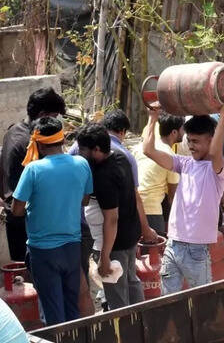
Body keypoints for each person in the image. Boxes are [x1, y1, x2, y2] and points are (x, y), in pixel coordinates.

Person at [142, 102, 224, 294]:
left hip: (197, 250)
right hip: (173, 244)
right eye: (189, 140)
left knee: (203, 303)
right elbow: (148, 150)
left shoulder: (219, 170)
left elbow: (215, 152)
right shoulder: (184, 163)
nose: (191, 146)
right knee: (167, 303)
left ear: (211, 140)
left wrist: (223, 115)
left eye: (196, 141)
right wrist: (153, 119)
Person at [11, 116, 94, 325]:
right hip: (72, 247)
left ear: (38, 143)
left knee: (52, 312)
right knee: (71, 308)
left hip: (43, 251)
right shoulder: (82, 164)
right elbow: (84, 200)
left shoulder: (33, 169)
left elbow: (17, 210)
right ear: (63, 138)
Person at [76, 123, 156, 310]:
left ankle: (127, 334)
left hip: (114, 244)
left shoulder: (104, 176)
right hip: (130, 235)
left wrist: (105, 257)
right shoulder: (120, 156)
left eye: (83, 150)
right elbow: (135, 197)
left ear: (96, 149)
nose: (80, 154)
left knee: (118, 296)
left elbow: (111, 219)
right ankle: (141, 323)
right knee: (131, 281)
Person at [0, 87, 67, 263]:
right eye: (54, 117)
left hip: (14, 213)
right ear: (43, 115)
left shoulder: (13, 131)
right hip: (28, 219)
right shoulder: (34, 143)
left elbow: (0, 170)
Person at [135, 113, 185, 237]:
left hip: (131, 207)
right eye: (183, 129)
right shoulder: (170, 157)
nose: (185, 133)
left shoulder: (139, 147)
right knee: (154, 254)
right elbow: (172, 197)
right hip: (151, 211)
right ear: (174, 133)